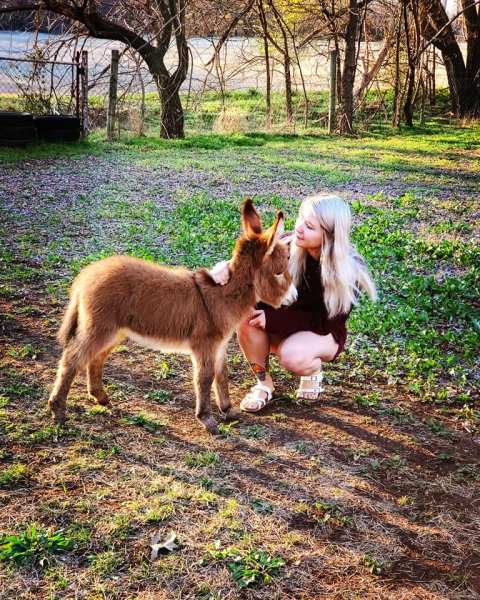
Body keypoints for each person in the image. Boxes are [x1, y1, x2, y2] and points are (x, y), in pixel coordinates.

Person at [209, 193, 377, 412]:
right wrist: (225, 268)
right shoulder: (287, 246)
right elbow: (250, 265)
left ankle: (312, 370)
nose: (299, 228)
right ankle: (263, 384)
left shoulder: (346, 272)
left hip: (321, 332)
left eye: (309, 226)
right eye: (300, 218)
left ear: (329, 235)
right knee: (245, 316)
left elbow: (321, 321)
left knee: (293, 356)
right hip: (281, 323)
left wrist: (273, 320)